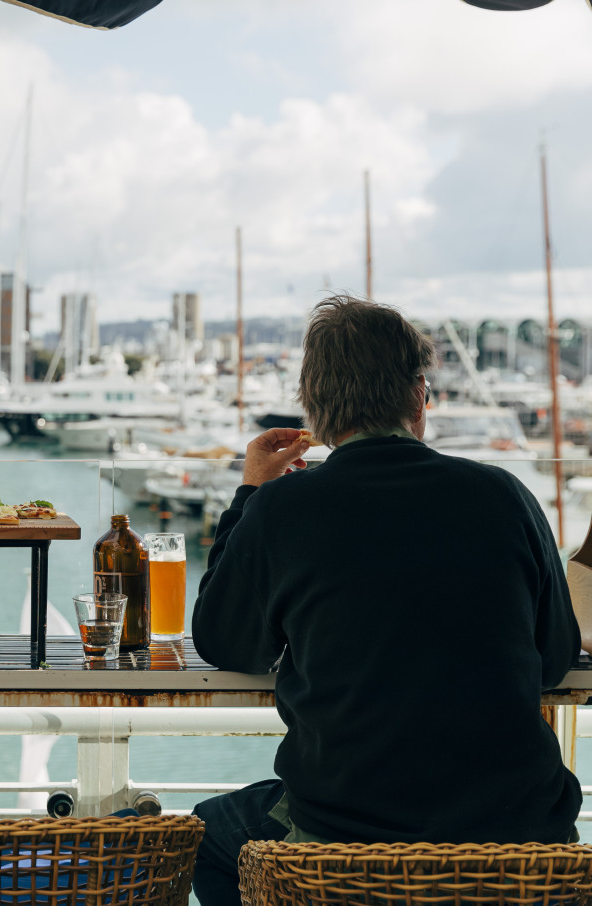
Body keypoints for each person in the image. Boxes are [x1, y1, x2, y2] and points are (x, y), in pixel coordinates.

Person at [190, 295, 580, 906]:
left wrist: (248, 494)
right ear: (418, 397)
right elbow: (553, 657)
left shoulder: (283, 510)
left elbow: (223, 641)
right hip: (518, 840)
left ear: (315, 408)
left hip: (346, 838)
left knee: (210, 838)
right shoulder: (504, 495)